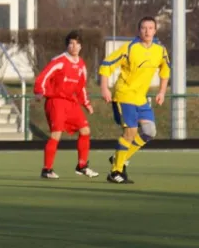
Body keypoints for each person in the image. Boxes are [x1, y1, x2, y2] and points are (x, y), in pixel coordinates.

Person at [99, 16, 170, 184]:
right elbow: (106, 64)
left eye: (150, 28)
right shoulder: (129, 48)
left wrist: (162, 92)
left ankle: (119, 157)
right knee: (130, 133)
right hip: (124, 94)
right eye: (144, 28)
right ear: (139, 31)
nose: (147, 31)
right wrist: (104, 88)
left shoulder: (160, 50)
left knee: (149, 131)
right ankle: (115, 171)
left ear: (155, 30)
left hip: (141, 98)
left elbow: (165, 71)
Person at [33, 30, 99, 179]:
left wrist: (86, 103)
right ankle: (47, 169)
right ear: (67, 45)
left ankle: (82, 166)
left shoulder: (81, 65)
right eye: (71, 43)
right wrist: (40, 91)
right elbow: (43, 77)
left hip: (71, 103)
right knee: (56, 134)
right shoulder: (59, 61)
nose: (73, 46)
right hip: (56, 101)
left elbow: (81, 87)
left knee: (85, 131)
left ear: (81, 46)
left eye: (76, 44)